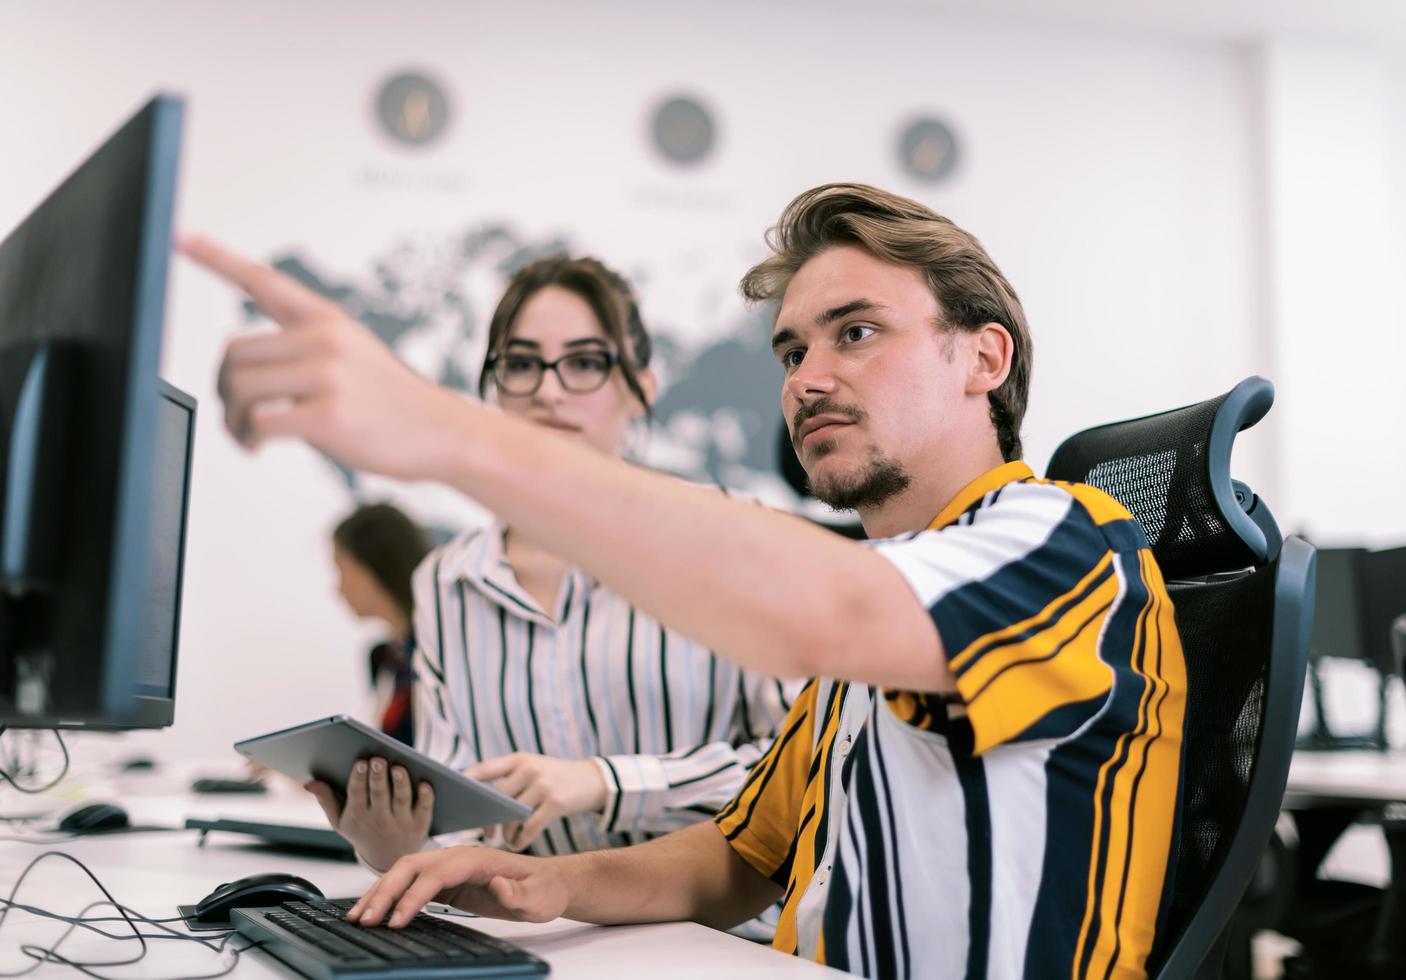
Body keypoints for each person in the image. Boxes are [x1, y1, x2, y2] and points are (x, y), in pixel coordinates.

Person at [188, 182, 1188, 979]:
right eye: (792, 350)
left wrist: (444, 433)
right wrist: (542, 885)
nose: (805, 378)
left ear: (984, 357)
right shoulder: (878, 602)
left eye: (855, 332)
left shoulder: (1064, 540)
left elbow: (830, 614)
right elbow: (739, 856)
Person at [301, 254, 796, 936]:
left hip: (717, 941)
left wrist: (606, 780)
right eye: (522, 364)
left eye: (585, 362)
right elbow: (458, 819)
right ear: (494, 390)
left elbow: (801, 772)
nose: (549, 391)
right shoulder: (446, 581)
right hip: (542, 943)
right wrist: (394, 844)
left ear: (641, 388)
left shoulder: (733, 537)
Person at [331, 502, 432, 746]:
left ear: (372, 568)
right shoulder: (383, 658)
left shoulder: (437, 656)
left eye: (342, 570)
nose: (339, 588)